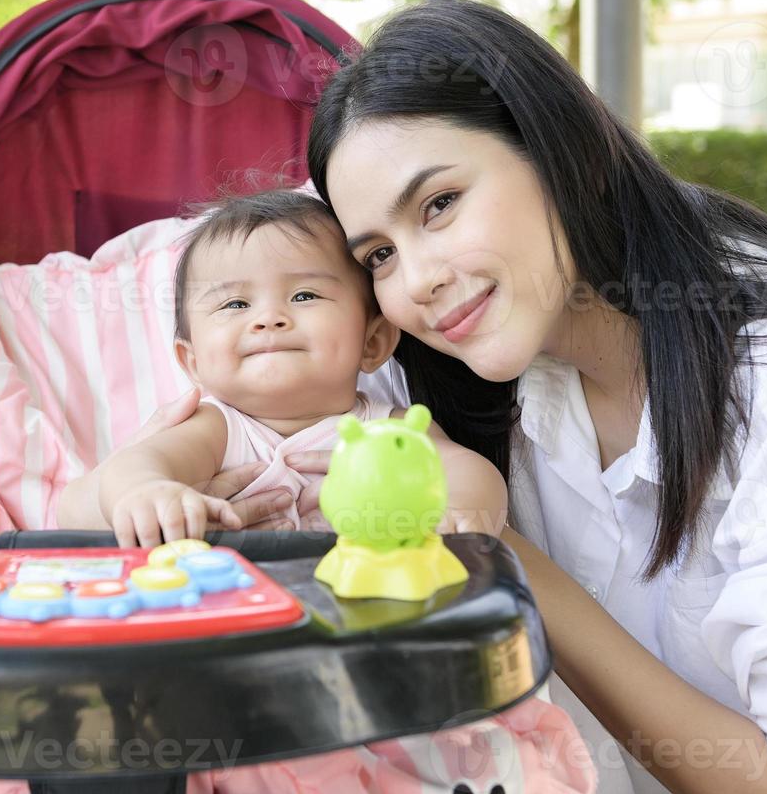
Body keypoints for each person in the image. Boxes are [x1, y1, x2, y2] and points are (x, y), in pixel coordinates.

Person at [146, 0, 767, 794]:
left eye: (440, 204)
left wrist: (502, 556)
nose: (416, 281)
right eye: (376, 254)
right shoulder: (497, 367)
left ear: (561, 148)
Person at [55, 188, 508, 547]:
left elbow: (465, 470)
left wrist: (456, 511)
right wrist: (150, 493)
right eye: (236, 303)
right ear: (192, 362)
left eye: (305, 296)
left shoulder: (386, 429)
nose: (268, 318)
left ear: (373, 342)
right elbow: (141, 464)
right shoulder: (218, 429)